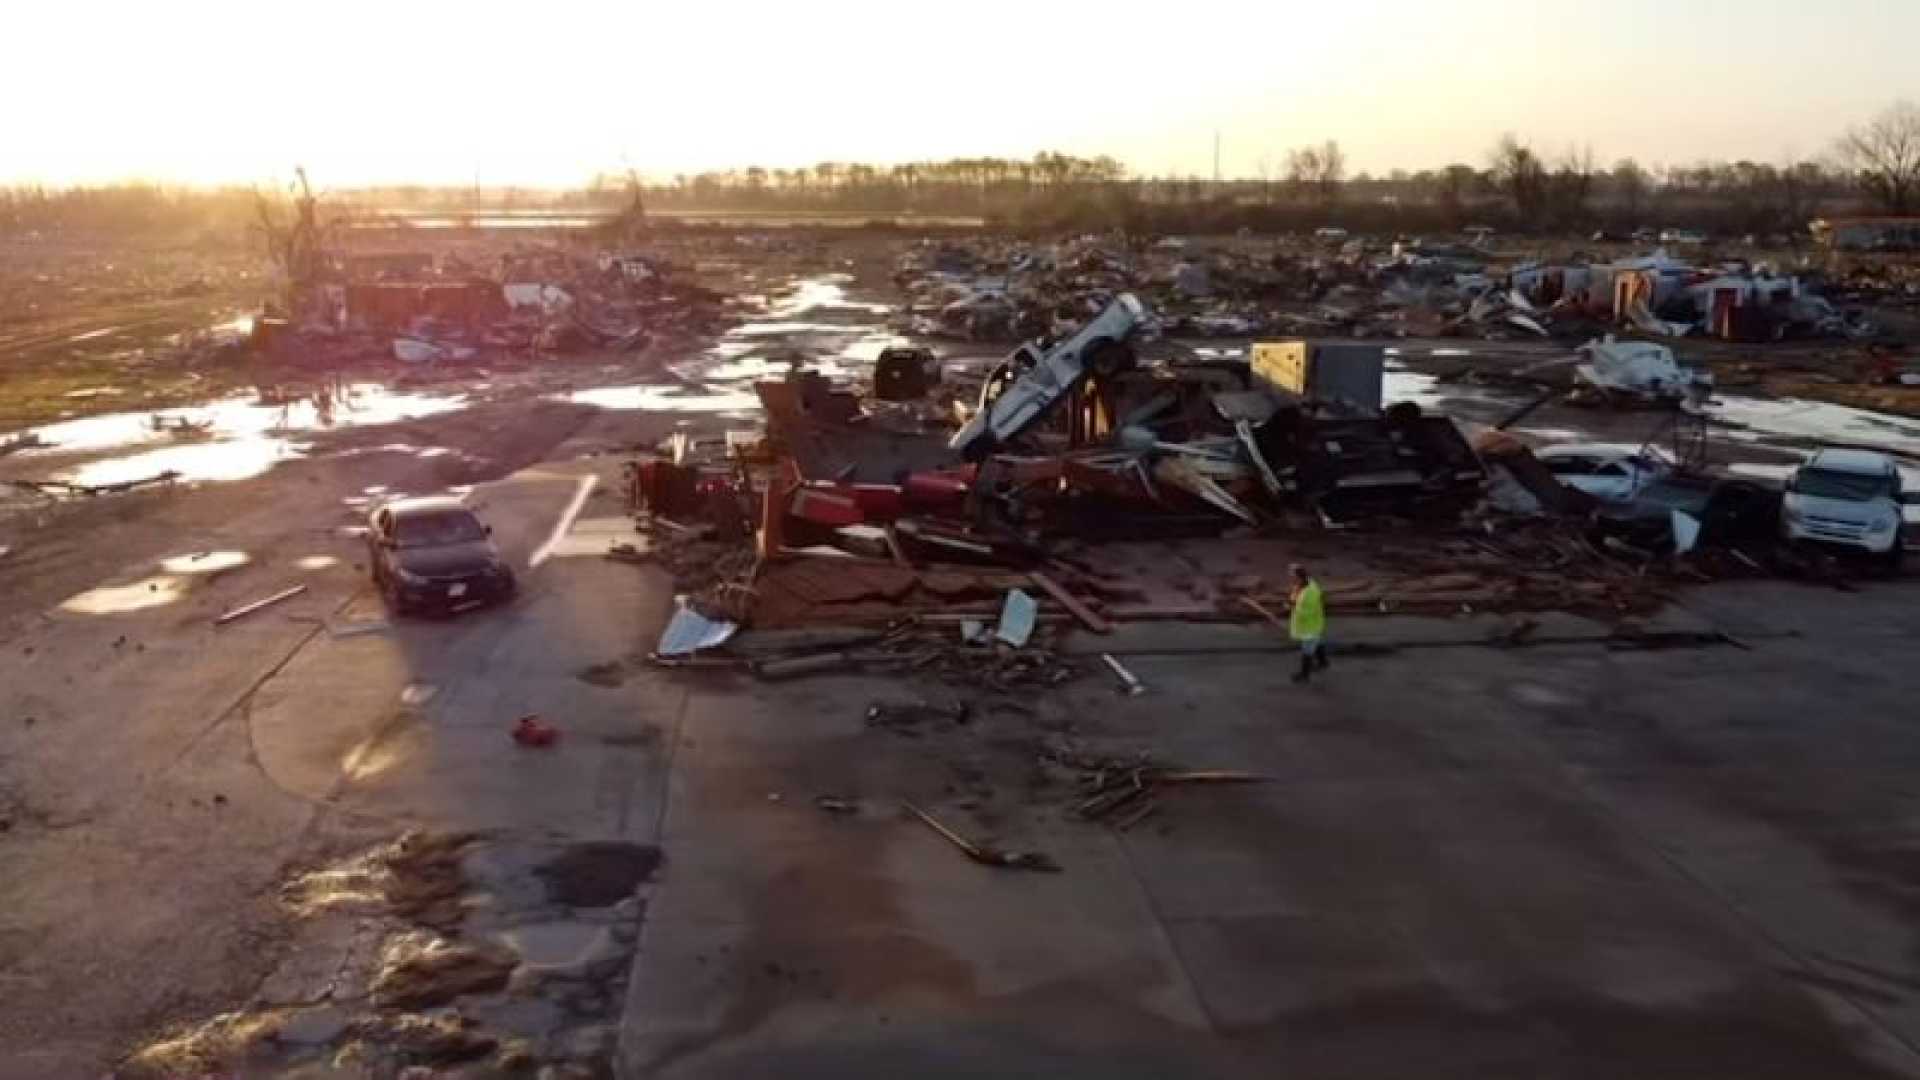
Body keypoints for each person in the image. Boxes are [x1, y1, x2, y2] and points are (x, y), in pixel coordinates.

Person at [1286, 563, 1329, 684]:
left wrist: (1292, 607)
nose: (1291, 579)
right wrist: (1291, 602)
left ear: (1299, 577)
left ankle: (1304, 675)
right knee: (1317, 641)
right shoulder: (1301, 585)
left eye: (1292, 576)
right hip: (1311, 624)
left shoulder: (1311, 592)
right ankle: (1323, 662)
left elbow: (1307, 612)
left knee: (1307, 649)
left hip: (1310, 624)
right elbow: (1295, 597)